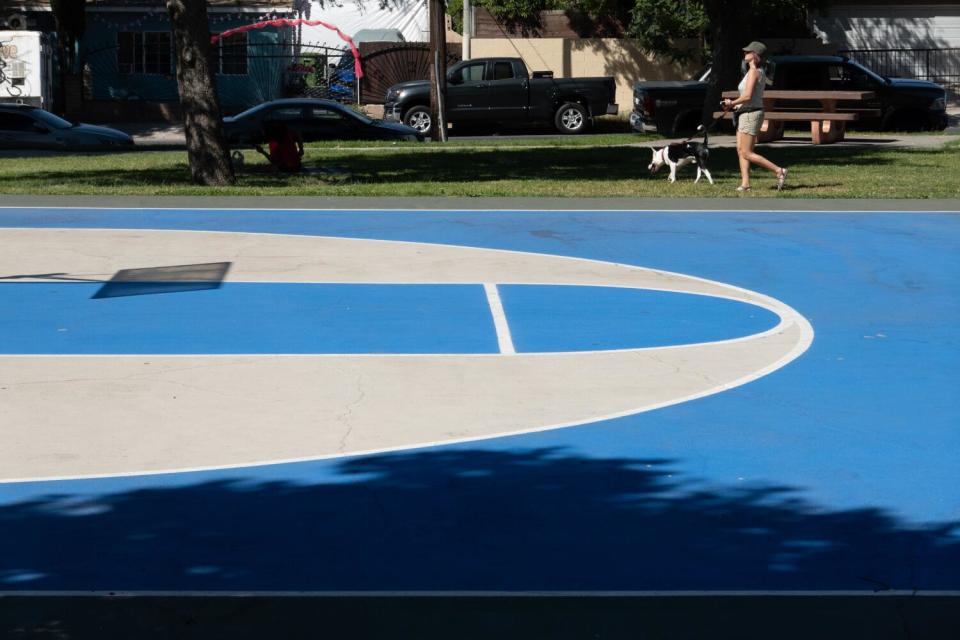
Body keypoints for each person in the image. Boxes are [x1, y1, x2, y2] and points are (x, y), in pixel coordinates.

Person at [721, 41, 789, 192]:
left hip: (751, 114)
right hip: (746, 112)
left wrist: (731, 103)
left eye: (748, 52)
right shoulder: (753, 71)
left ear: (755, 55)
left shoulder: (754, 72)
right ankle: (745, 184)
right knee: (740, 150)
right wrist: (735, 105)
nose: (745, 54)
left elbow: (747, 96)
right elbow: (748, 97)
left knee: (746, 152)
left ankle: (779, 171)